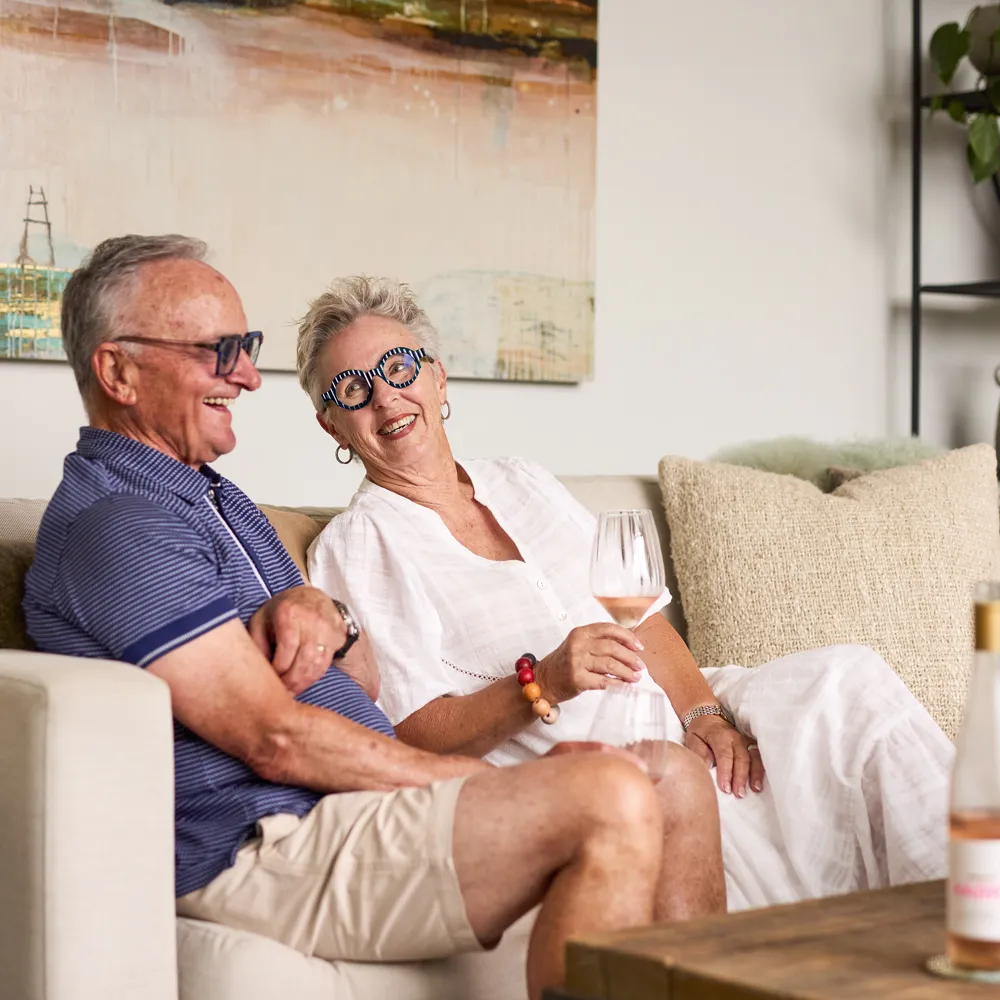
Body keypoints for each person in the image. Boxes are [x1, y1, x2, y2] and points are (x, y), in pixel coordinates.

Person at [22, 236, 725, 1000]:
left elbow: (355, 677)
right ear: (119, 370)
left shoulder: (219, 504)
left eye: (245, 348)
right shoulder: (122, 523)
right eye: (215, 351)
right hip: (263, 840)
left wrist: (322, 614)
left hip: (343, 811)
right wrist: (467, 780)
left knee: (676, 778)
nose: (249, 377)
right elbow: (275, 736)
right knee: (613, 794)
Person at [299, 275, 955, 913]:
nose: (386, 398)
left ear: (437, 378)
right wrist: (545, 681)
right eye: (353, 388)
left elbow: (637, 613)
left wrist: (707, 715)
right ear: (333, 426)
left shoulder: (521, 481)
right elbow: (412, 733)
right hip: (590, 763)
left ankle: (978, 916)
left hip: (679, 710)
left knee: (850, 680)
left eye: (400, 367)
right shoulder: (360, 545)